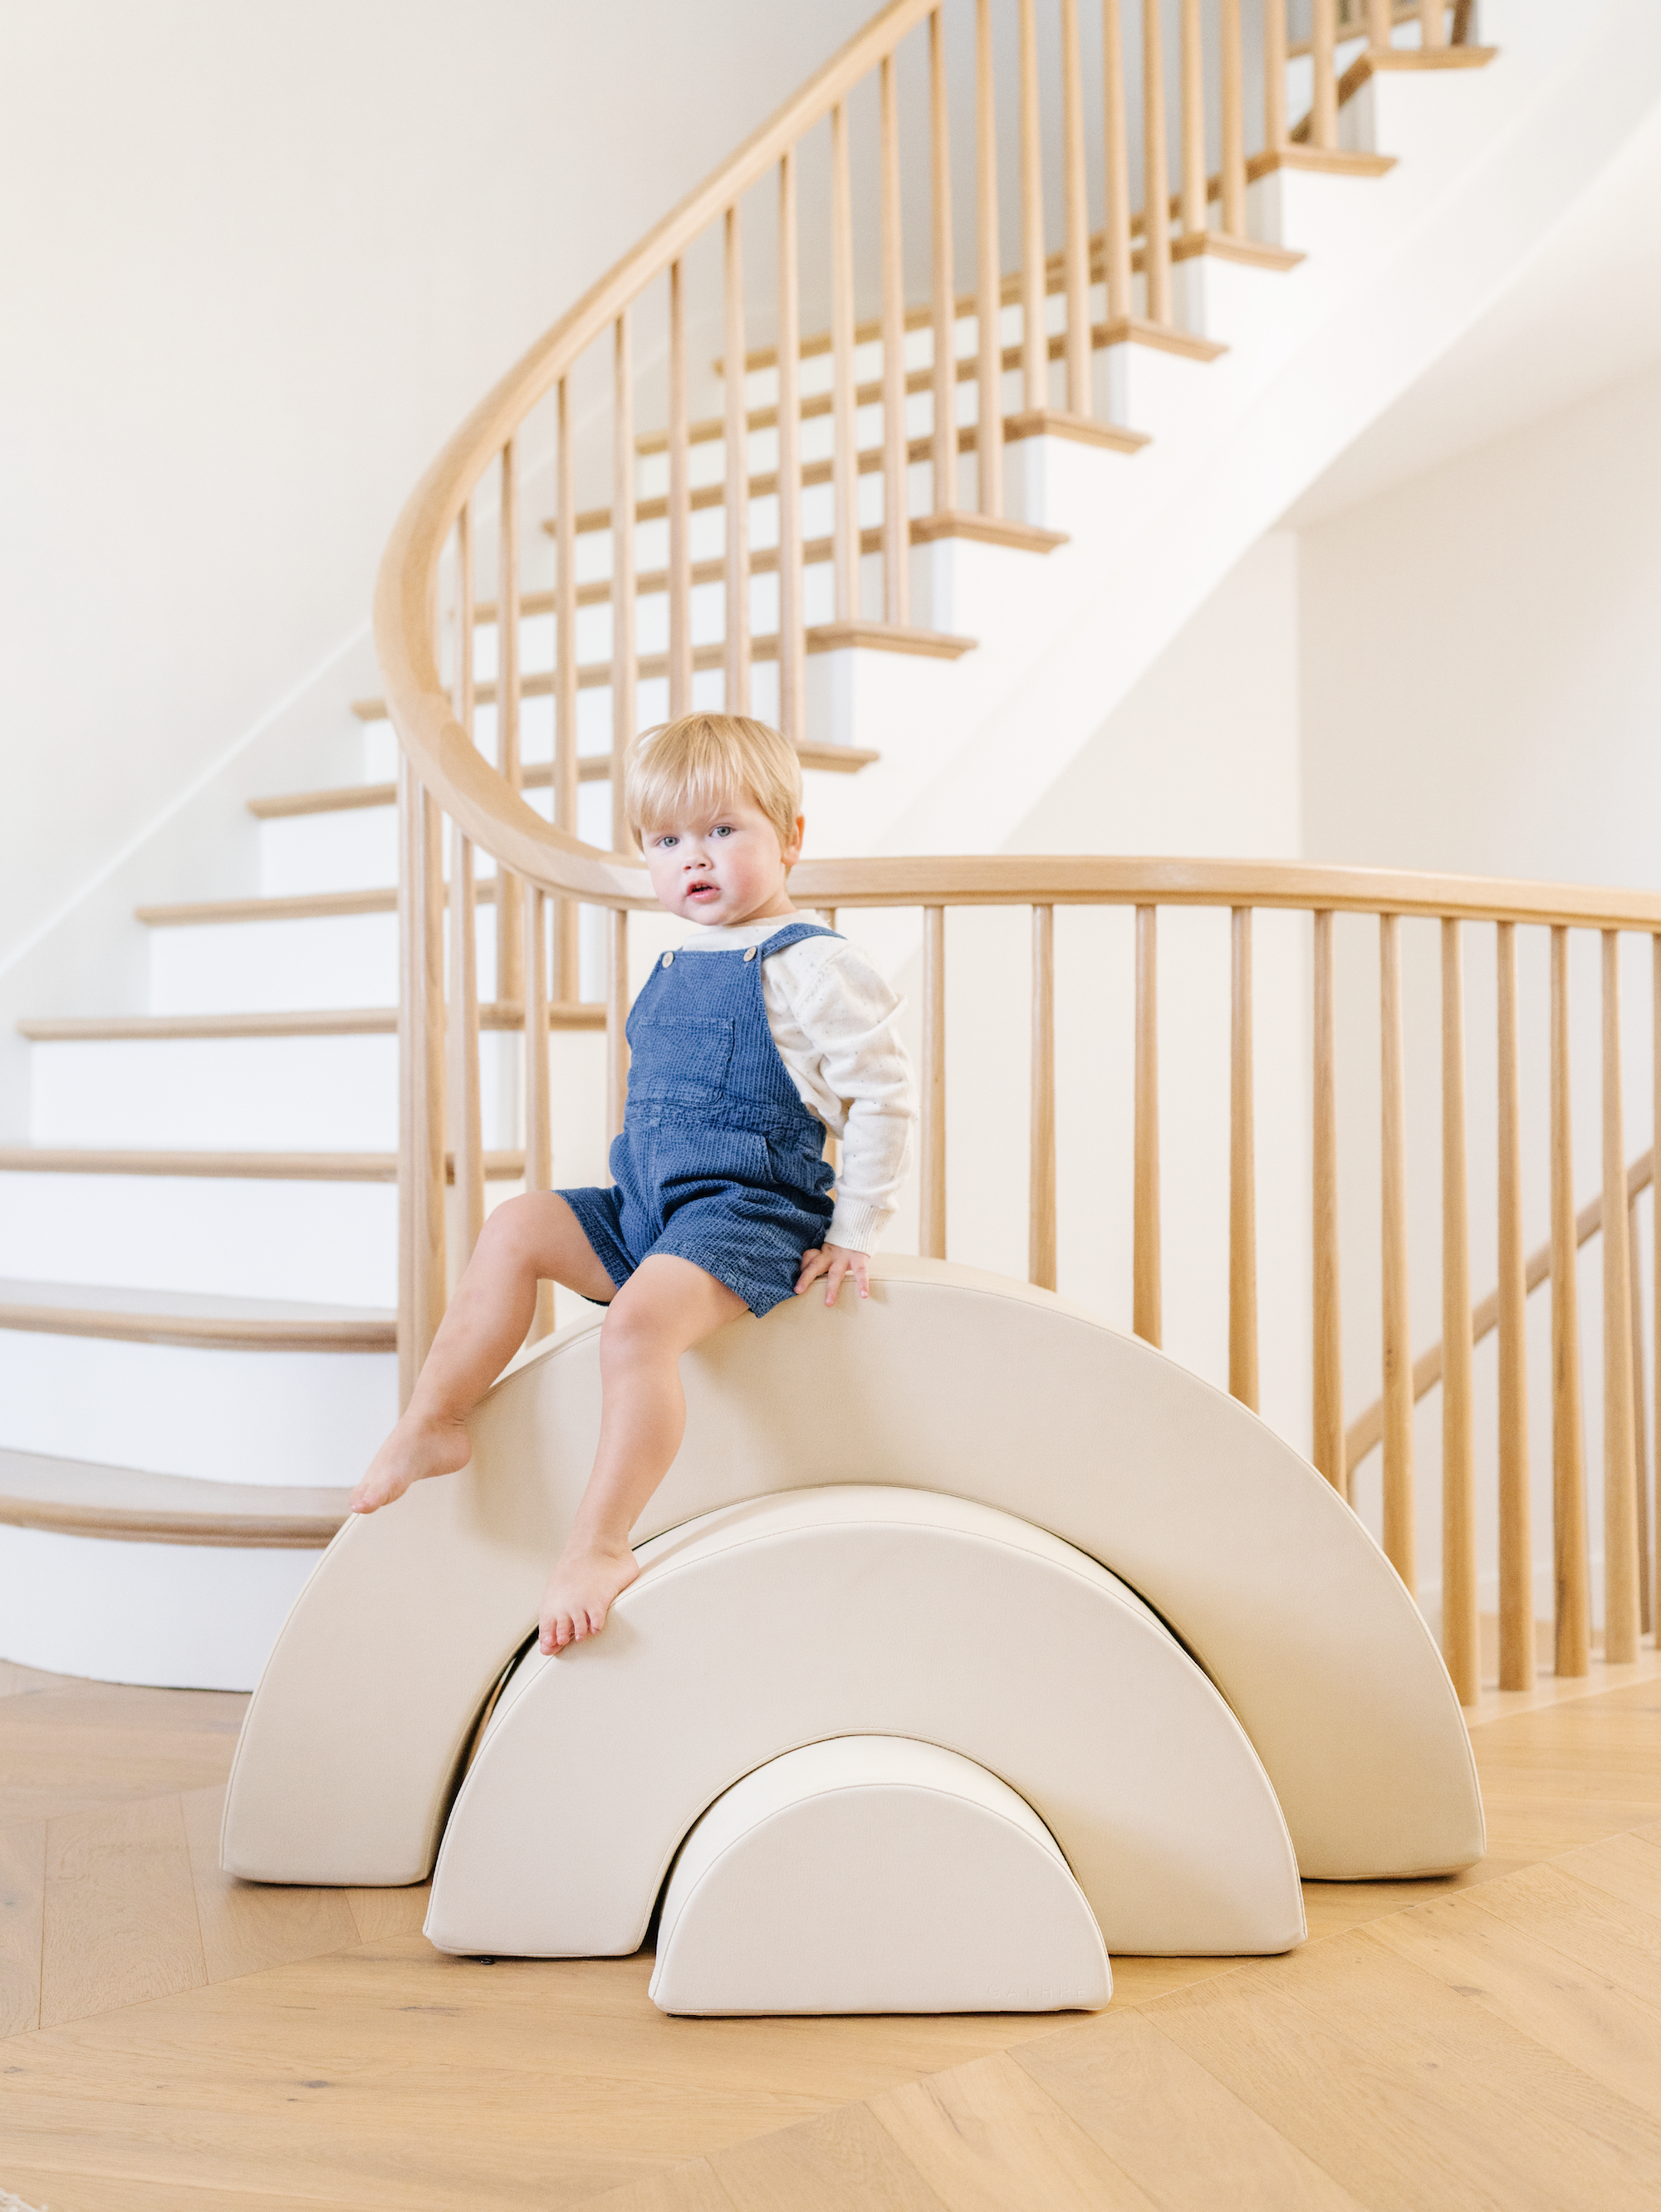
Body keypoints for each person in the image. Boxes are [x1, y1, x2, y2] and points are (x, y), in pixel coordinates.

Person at [349, 711, 916, 1655]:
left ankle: (599, 1542)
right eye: (666, 840)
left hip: (749, 1212)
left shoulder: (814, 966)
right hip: (650, 1206)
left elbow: (884, 1101)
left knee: (635, 1325)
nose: (693, 858)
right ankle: (434, 1417)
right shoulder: (669, 958)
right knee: (518, 1222)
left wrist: (852, 1227)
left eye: (722, 830)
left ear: (791, 838)